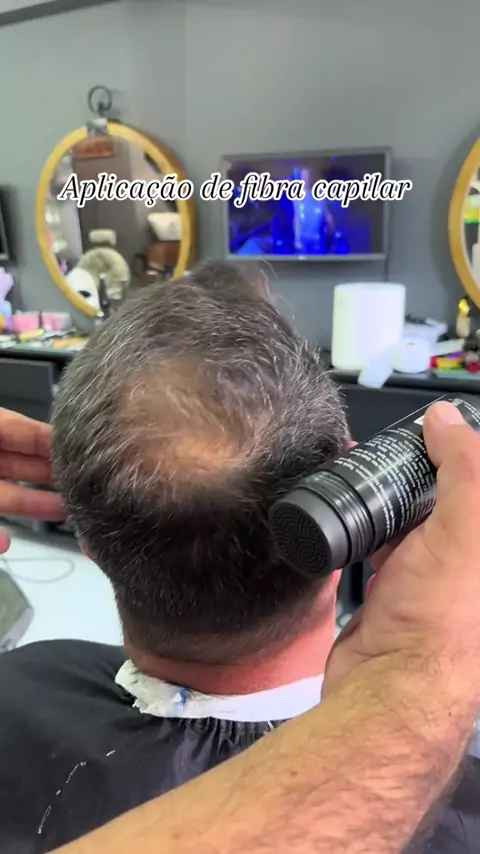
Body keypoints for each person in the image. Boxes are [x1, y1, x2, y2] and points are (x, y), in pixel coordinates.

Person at [0, 263, 478, 854]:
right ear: (358, 498)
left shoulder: (23, 680)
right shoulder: (451, 804)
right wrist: (432, 670)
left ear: (89, 542)